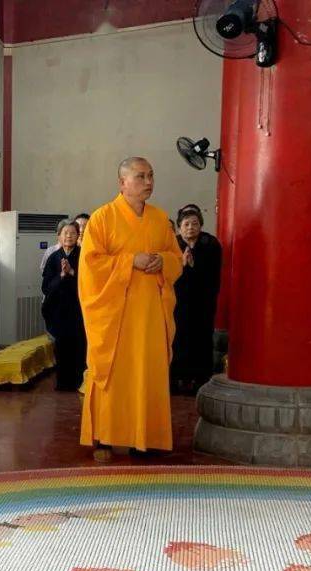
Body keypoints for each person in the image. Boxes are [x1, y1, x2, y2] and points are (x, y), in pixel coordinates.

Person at [79, 158, 183, 462]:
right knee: (111, 373)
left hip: (150, 313)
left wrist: (164, 260)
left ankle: (145, 438)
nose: (148, 181)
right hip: (116, 317)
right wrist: (129, 261)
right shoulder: (102, 218)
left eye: (151, 176)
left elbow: (176, 258)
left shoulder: (160, 219)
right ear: (122, 183)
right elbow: (90, 266)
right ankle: (106, 438)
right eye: (140, 176)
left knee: (147, 372)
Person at [171, 204, 222, 394]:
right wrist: (181, 266)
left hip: (202, 302)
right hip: (178, 302)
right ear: (179, 227)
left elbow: (214, 274)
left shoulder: (211, 244)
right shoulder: (173, 244)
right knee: (178, 339)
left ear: (200, 225)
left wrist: (194, 265)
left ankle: (201, 381)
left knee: (201, 340)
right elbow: (167, 273)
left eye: (194, 224)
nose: (190, 228)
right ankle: (177, 380)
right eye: (186, 224)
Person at [42, 219, 87, 391]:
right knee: (61, 347)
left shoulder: (83, 255)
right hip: (58, 310)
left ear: (78, 236)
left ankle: (79, 381)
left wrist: (72, 272)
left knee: (79, 344)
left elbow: (89, 282)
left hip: (78, 309)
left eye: (72, 233)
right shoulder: (53, 257)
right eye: (65, 233)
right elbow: (45, 287)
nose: (69, 236)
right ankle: (63, 383)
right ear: (59, 236)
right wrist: (61, 275)